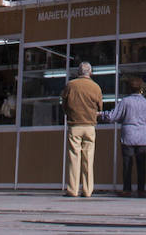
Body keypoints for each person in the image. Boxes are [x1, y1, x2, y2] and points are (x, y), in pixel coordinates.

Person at [100, 76, 146, 196]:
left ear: (128, 89)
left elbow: (112, 116)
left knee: (127, 165)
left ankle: (127, 189)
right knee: (141, 165)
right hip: (142, 136)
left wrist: (99, 114)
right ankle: (141, 189)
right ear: (141, 89)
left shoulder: (125, 102)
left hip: (128, 135)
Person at [60, 61, 103, 197]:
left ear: (78, 72)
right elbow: (100, 107)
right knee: (88, 159)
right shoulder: (96, 87)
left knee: (74, 157)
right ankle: (87, 190)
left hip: (75, 125)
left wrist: (70, 114)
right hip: (90, 126)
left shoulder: (70, 85)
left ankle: (72, 189)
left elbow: (64, 104)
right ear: (90, 72)